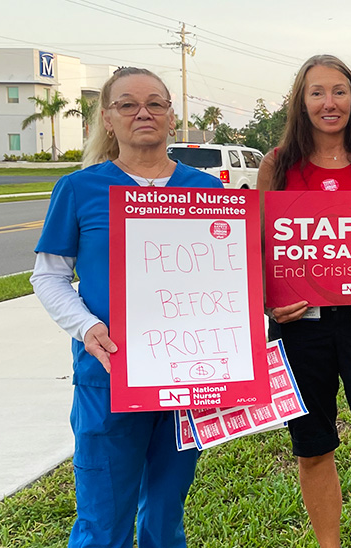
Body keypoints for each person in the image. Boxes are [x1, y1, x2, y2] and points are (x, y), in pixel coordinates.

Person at [31, 67, 222, 547]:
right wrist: (86, 326)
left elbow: (229, 279)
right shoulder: (80, 190)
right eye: (128, 104)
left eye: (156, 103)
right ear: (108, 119)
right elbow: (49, 275)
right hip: (110, 371)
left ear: (172, 117)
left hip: (186, 376)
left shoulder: (208, 192)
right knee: (103, 519)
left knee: (164, 514)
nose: (144, 112)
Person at [257, 54, 351, 548]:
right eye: (317, 92)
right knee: (313, 447)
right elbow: (259, 252)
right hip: (300, 326)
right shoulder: (276, 165)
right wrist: (270, 305)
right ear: (300, 102)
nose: (330, 102)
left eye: (340, 91)